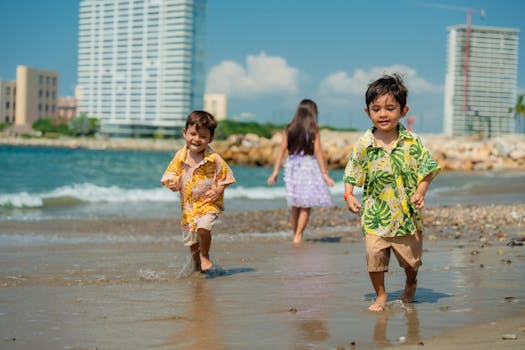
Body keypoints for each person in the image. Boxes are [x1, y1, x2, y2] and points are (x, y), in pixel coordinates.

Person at [343, 74, 440, 312]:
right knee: (373, 255)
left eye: (390, 108)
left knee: (411, 260)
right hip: (376, 214)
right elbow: (352, 170)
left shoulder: (412, 141)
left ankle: (411, 281)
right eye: (376, 109)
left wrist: (421, 191)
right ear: (367, 112)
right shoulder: (364, 143)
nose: (383, 114)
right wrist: (349, 195)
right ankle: (381, 295)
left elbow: (428, 168)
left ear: (403, 110)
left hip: (406, 214)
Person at [161, 111, 235, 272]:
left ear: (210, 139)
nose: (197, 139)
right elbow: (170, 174)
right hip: (188, 207)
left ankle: (205, 255)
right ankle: (197, 266)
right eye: (193, 134)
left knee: (204, 228)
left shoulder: (214, 158)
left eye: (203, 136)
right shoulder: (180, 156)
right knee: (192, 241)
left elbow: (227, 176)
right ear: (184, 133)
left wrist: (218, 189)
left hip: (209, 203)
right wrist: (172, 183)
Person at [267, 99, 334, 243]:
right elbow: (319, 152)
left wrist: (275, 171)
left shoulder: (289, 128)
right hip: (308, 167)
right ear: (312, 112)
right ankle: (298, 235)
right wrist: (325, 174)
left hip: (292, 168)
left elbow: (281, 150)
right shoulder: (313, 128)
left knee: (295, 203)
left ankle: (294, 234)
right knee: (306, 204)